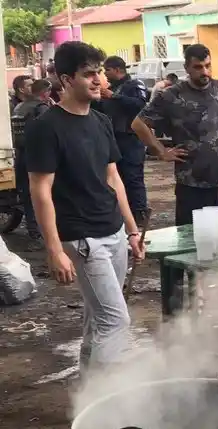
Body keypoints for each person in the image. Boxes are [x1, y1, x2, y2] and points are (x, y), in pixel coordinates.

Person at [25, 41, 145, 374]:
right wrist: (54, 250)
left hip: (114, 231)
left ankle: (89, 395)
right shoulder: (46, 128)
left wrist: (132, 230)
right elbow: (41, 191)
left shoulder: (101, 121)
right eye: (88, 74)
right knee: (115, 319)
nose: (97, 80)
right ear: (66, 79)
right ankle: (110, 401)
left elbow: (114, 179)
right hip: (82, 238)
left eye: (100, 73)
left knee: (98, 318)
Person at [132, 44, 218, 226]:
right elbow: (139, 124)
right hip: (190, 184)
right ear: (187, 68)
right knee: (190, 241)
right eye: (198, 67)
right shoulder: (171, 96)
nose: (205, 72)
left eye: (208, 66)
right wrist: (161, 151)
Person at [99, 56, 151, 225]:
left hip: (130, 139)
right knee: (116, 178)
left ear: (117, 69)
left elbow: (140, 105)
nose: (104, 74)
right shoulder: (111, 89)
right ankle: (123, 214)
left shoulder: (134, 85)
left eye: (107, 69)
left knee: (133, 177)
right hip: (114, 140)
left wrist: (114, 96)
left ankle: (140, 214)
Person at [11, 79, 52, 250]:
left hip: (21, 155)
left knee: (28, 196)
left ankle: (34, 232)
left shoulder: (19, 107)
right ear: (45, 93)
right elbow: (49, 132)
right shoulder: (40, 108)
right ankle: (42, 234)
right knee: (43, 195)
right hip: (37, 156)